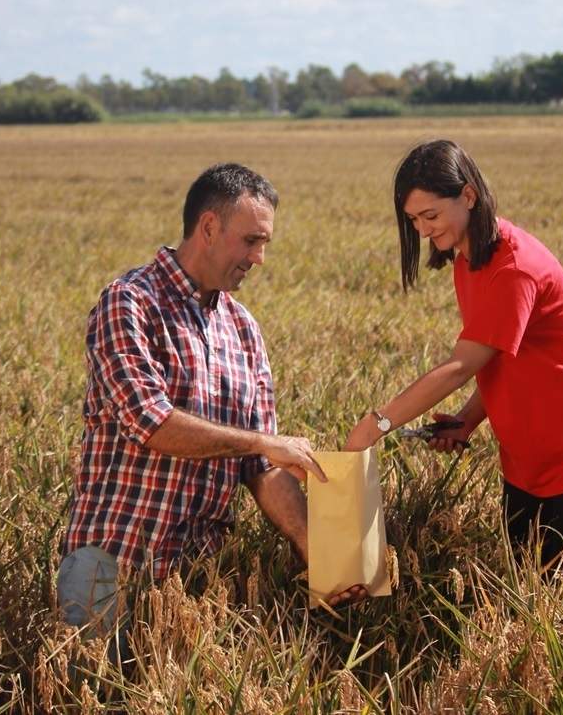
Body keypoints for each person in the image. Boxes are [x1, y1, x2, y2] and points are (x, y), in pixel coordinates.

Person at [59, 163, 362, 660]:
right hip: (113, 562)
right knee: (95, 697)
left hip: (194, 578)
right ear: (208, 228)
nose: (259, 258)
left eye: (265, 244)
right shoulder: (130, 303)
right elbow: (150, 422)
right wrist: (262, 443)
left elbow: (262, 467)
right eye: (251, 241)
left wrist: (316, 546)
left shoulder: (243, 329)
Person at [343, 140, 563, 572]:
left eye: (430, 216)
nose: (422, 231)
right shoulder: (470, 259)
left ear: (468, 196)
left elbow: (461, 366)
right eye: (413, 220)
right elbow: (498, 358)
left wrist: (376, 424)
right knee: (528, 593)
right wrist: (467, 420)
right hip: (526, 466)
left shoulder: (513, 268)